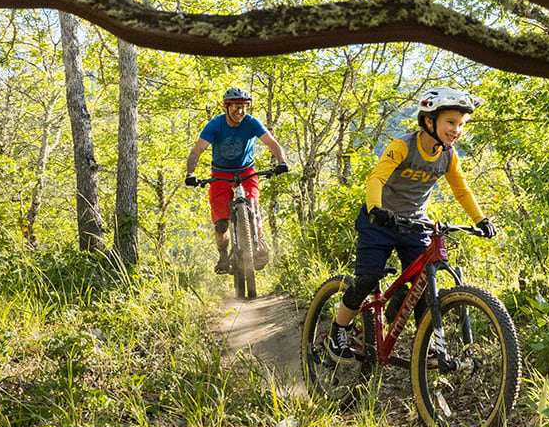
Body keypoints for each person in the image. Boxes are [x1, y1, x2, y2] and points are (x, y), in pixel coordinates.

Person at [328, 86, 496, 359]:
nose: (456, 130)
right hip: (379, 222)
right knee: (368, 279)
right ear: (429, 121)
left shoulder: (449, 156)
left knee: (423, 287)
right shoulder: (403, 146)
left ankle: (425, 347)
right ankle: (339, 328)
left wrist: (481, 219)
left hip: (415, 224)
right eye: (450, 122)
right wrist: (376, 209)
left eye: (461, 124)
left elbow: (461, 190)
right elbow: (376, 179)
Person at [183, 85, 290, 273]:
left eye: (244, 107)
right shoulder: (215, 125)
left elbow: (272, 143)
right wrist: (190, 173)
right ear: (226, 107)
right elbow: (197, 151)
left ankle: (258, 245)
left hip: (246, 171)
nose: (240, 111)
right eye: (235, 107)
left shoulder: (251, 123)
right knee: (221, 221)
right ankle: (223, 257)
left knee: (253, 206)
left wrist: (282, 161)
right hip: (221, 173)